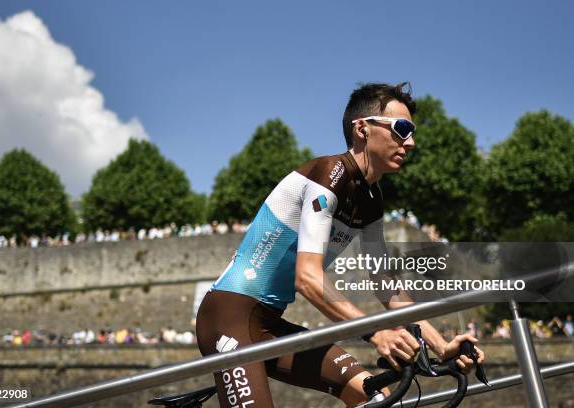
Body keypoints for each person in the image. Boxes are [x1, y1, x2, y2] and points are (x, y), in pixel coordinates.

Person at [195, 82, 485, 408]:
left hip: (269, 323)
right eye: (401, 129)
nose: (411, 142)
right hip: (227, 317)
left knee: (372, 395)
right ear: (362, 128)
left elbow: (385, 285)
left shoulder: (371, 198)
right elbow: (307, 277)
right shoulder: (330, 174)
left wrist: (439, 345)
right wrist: (376, 332)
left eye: (412, 131)